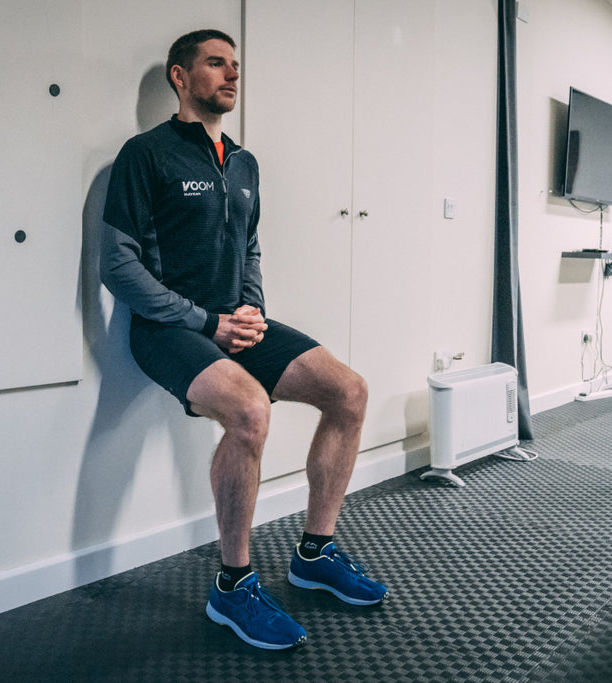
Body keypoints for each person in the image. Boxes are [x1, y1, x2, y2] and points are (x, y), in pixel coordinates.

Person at [100, 29, 386, 650]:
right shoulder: (144, 154)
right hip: (170, 330)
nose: (232, 75)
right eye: (215, 64)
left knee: (350, 392)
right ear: (180, 77)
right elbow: (118, 266)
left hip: (235, 324)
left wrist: (252, 308)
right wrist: (207, 323)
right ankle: (232, 587)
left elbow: (249, 246)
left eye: (236, 65)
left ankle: (315, 553)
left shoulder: (244, 162)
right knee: (251, 412)